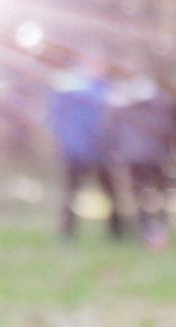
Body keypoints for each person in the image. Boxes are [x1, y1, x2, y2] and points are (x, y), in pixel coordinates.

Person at [45, 49, 120, 239]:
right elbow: (54, 115)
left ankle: (117, 232)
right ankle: (67, 233)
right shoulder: (70, 84)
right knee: (72, 193)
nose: (100, 68)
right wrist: (62, 139)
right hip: (75, 149)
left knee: (109, 192)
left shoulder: (105, 86)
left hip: (101, 149)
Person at [105, 59, 176, 249]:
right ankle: (153, 233)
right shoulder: (151, 96)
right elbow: (112, 129)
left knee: (150, 195)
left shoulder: (123, 98)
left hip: (147, 154)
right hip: (141, 154)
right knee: (148, 195)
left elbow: (166, 126)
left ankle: (154, 232)